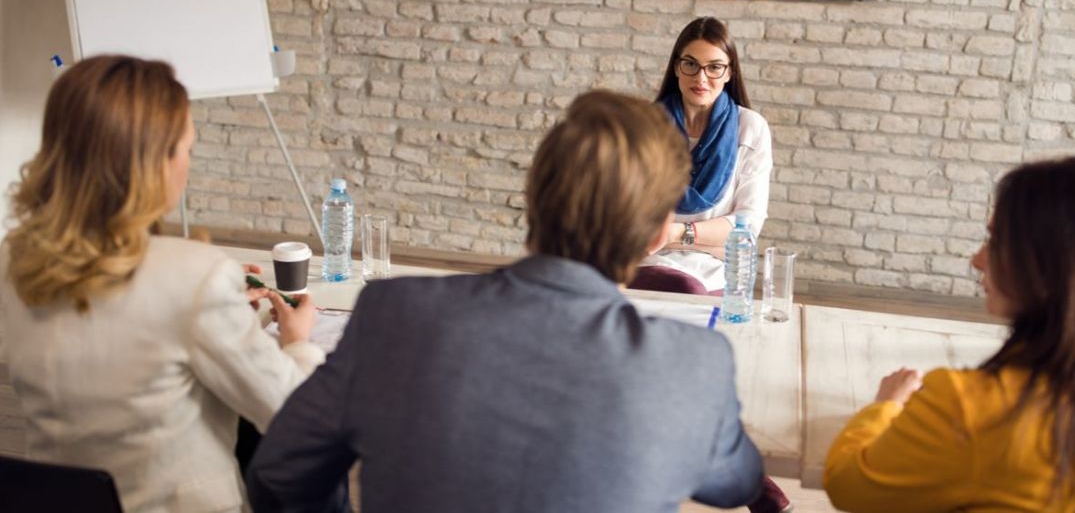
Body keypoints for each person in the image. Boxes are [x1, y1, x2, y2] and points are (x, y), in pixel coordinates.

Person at [247, 91, 765, 512]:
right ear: (659, 234)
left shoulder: (392, 313)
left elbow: (280, 474)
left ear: (533, 198)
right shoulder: (694, 363)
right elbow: (736, 485)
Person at [0, 55, 323, 512]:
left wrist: (221, 309)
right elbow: (297, 420)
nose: (187, 166)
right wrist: (297, 342)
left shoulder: (13, 261)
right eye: (186, 150)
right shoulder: (196, 276)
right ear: (152, 163)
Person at [824, 156, 1075, 512]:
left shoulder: (970, 408)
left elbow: (847, 484)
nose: (977, 260)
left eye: (995, 241)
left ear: (1051, 267)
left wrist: (885, 406)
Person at [632, 16, 773, 295]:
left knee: (687, 288)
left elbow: (748, 225)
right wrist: (714, 240)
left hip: (715, 271)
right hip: (644, 262)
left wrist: (674, 233)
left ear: (730, 72)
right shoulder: (645, 125)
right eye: (691, 64)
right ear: (676, 67)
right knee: (678, 286)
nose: (701, 77)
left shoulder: (751, 128)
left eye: (714, 67)